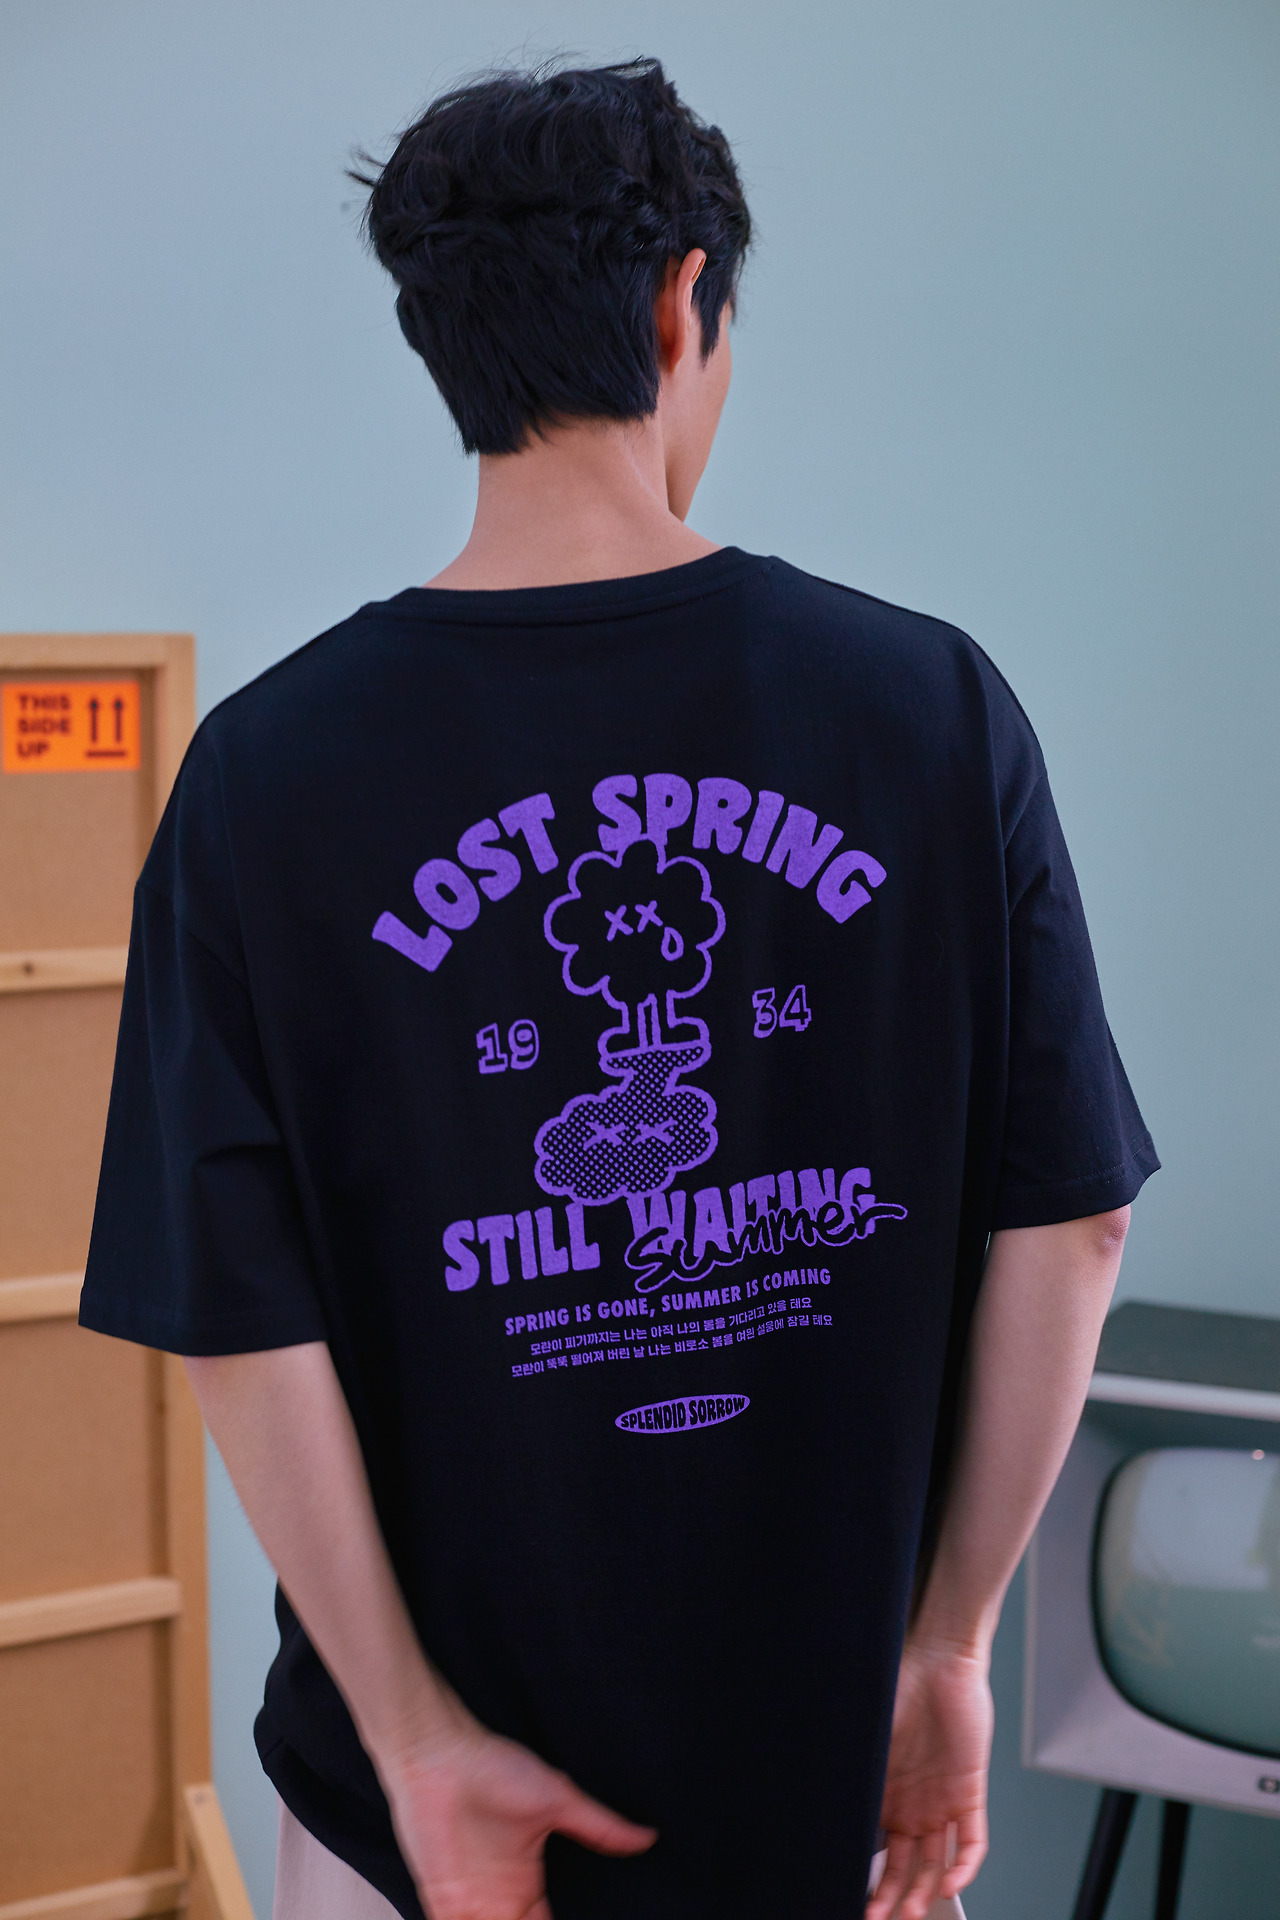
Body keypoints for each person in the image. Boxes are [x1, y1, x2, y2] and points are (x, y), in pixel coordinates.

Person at [80, 57, 1157, 1920]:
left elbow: (239, 1316)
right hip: (822, 1772)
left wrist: (418, 1741)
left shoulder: (264, 775)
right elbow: (1071, 1228)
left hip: (428, 1830)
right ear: (684, 303)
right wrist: (947, 1649)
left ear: (443, 342)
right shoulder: (930, 711)